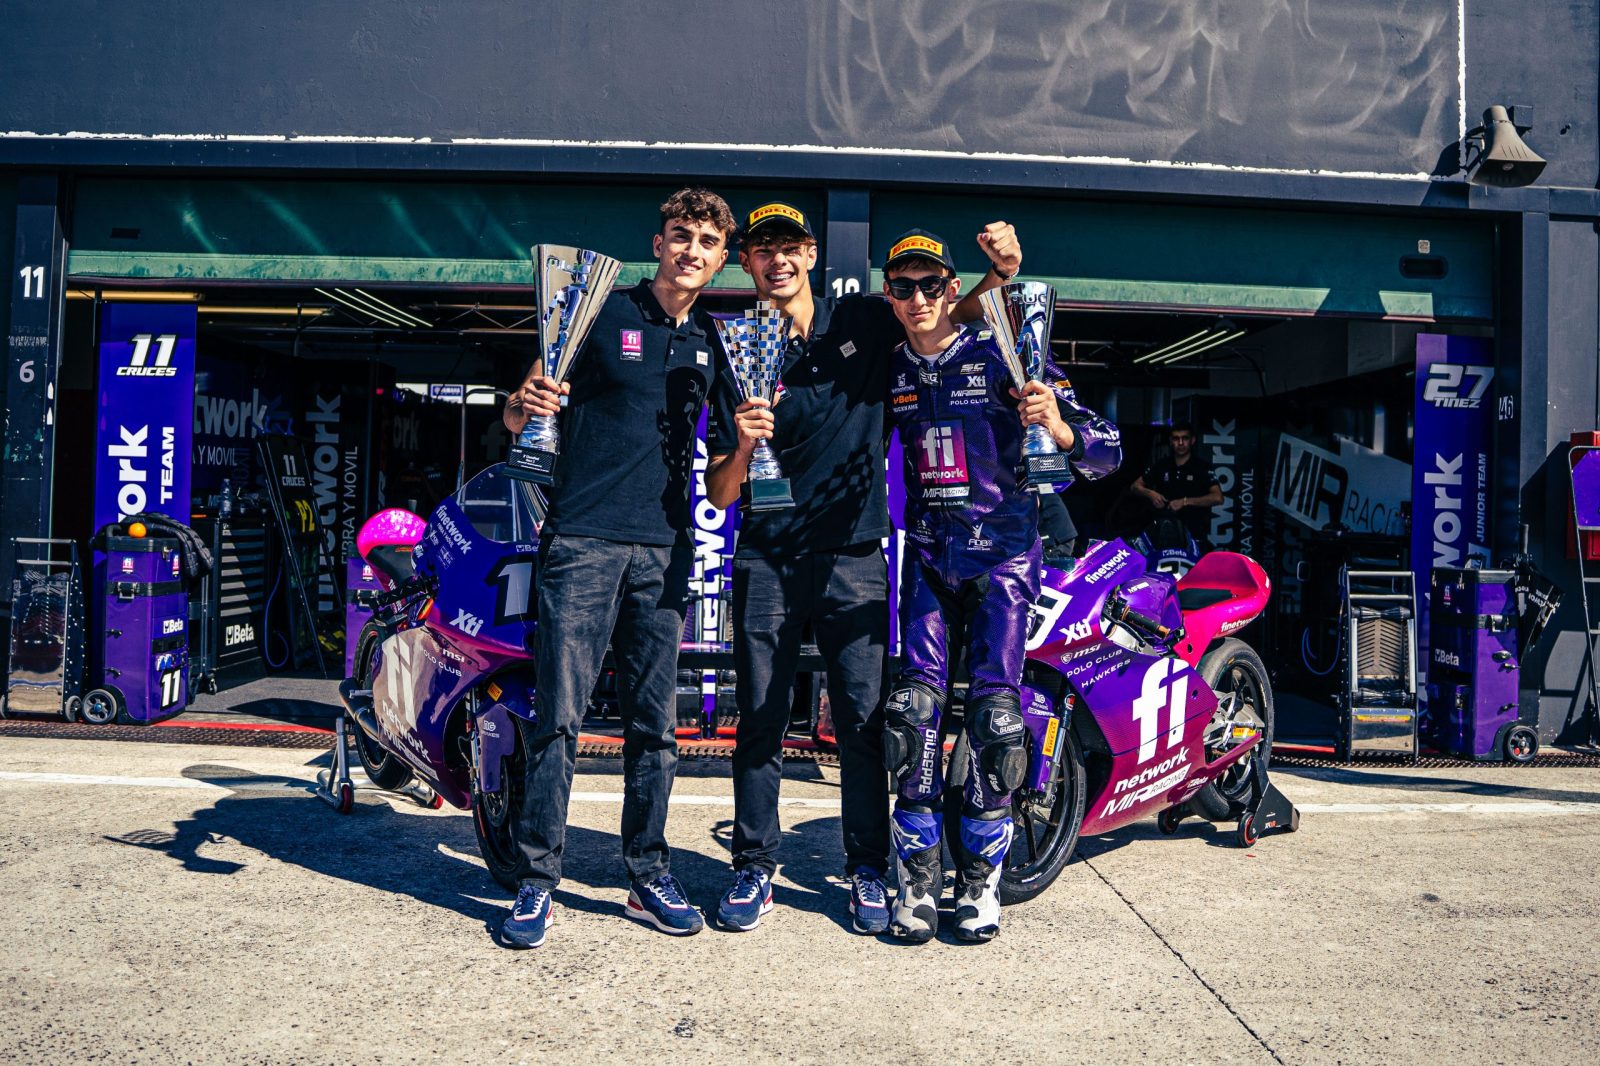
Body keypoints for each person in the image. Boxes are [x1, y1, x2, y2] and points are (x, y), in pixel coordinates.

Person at [704, 202, 1021, 933]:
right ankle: (754, 867)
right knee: (760, 719)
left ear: (811, 254)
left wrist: (1001, 275)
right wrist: (745, 446)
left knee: (865, 723)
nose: (777, 260)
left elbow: (946, 310)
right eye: (762, 250)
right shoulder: (734, 348)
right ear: (745, 262)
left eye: (789, 246)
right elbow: (720, 492)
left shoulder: (866, 322)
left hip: (854, 554)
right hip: (765, 554)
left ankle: (868, 868)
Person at [497, 187, 737, 948]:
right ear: (658, 243)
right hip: (582, 541)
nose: (691, 250)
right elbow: (518, 413)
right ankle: (537, 881)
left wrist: (753, 446)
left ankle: (647, 875)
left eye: (706, 241)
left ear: (721, 259)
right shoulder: (598, 310)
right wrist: (523, 403)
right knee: (559, 720)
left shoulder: (716, 342)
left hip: (665, 550)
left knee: (654, 728)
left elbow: (726, 468)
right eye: (680, 235)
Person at [879, 229, 1121, 942]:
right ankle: (916, 883)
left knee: (996, 719)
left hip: (1005, 560)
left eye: (931, 285)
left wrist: (1061, 428)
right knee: (912, 716)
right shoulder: (889, 367)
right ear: (889, 295)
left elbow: (1108, 450)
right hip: (928, 559)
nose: (918, 299)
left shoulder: (1005, 355)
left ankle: (979, 884)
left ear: (953, 290)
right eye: (904, 287)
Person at [1131, 421, 1222, 550]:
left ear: (1192, 440)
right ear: (1170, 441)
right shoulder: (1162, 465)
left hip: (1194, 534)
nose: (1180, 443)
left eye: (1185, 438)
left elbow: (1218, 498)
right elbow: (1135, 486)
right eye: (1176, 438)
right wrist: (1151, 494)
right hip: (1163, 533)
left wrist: (1185, 501)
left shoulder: (1202, 467)